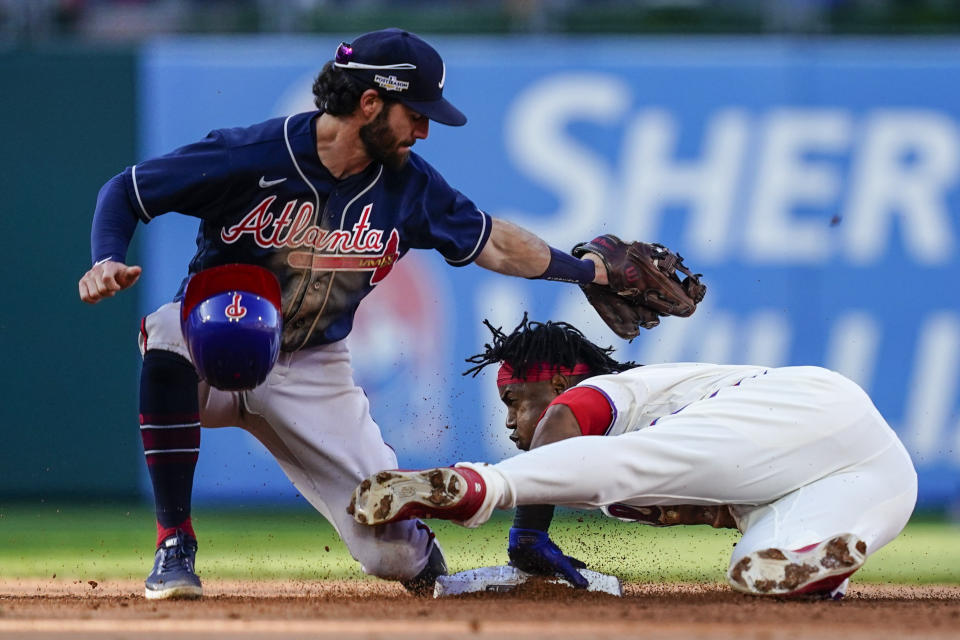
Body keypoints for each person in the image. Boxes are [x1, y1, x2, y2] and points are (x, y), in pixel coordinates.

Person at [77, 29, 616, 600]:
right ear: (369, 104)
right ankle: (174, 542)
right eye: (416, 113)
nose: (425, 129)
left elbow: (495, 242)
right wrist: (106, 258)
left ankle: (422, 560)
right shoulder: (253, 155)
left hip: (314, 370)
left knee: (389, 553)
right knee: (168, 333)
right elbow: (127, 190)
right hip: (219, 340)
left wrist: (585, 273)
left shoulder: (411, 186)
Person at [349, 316, 919, 598]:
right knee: (757, 565)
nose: (509, 420)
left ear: (562, 380)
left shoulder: (618, 393)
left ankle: (479, 487)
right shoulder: (638, 464)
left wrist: (525, 530)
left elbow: (565, 425)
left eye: (515, 400)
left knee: (629, 460)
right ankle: (807, 564)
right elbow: (720, 496)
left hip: (804, 403)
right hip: (877, 474)